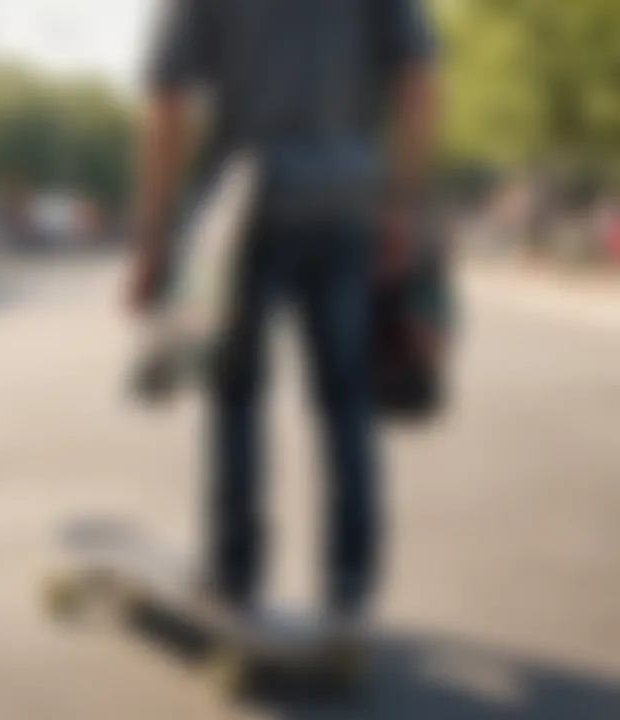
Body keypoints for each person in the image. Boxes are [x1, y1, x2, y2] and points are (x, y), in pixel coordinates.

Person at [127, 0, 438, 619]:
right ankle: (351, 581)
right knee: (347, 397)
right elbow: (419, 78)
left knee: (236, 395)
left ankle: (235, 573)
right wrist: (406, 203)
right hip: (347, 203)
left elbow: (168, 104)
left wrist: (155, 236)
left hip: (243, 205)